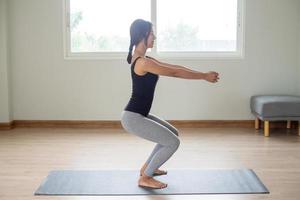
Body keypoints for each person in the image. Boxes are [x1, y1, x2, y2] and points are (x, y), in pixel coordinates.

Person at [121, 19, 220, 189]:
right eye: (152, 33)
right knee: (173, 142)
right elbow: (175, 73)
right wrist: (203, 76)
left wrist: (202, 74)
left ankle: (148, 167)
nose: (155, 37)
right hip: (133, 118)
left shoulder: (145, 59)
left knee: (172, 133)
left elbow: (174, 67)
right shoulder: (143, 62)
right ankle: (145, 177)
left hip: (138, 114)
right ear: (143, 35)